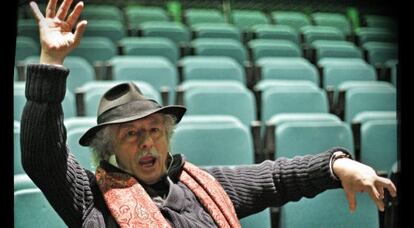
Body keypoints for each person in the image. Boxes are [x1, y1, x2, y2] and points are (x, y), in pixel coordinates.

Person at [21, 0, 397, 227]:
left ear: (167, 136)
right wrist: (51, 61)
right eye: (131, 134)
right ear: (110, 150)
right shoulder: (90, 197)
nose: (147, 141)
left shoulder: (204, 185)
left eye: (154, 129)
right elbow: (43, 158)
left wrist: (336, 166)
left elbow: (277, 179)